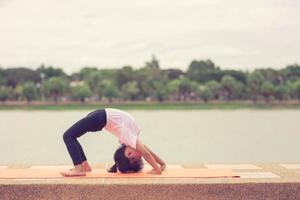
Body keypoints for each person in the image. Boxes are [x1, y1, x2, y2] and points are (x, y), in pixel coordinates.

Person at [61, 108, 166, 177]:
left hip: (99, 118)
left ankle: (79, 168)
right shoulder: (132, 139)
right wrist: (161, 165)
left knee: (68, 136)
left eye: (139, 158)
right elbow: (148, 153)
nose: (141, 155)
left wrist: (157, 168)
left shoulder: (129, 139)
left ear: (129, 154)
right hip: (99, 117)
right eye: (140, 157)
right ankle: (84, 166)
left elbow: (147, 154)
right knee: (71, 136)